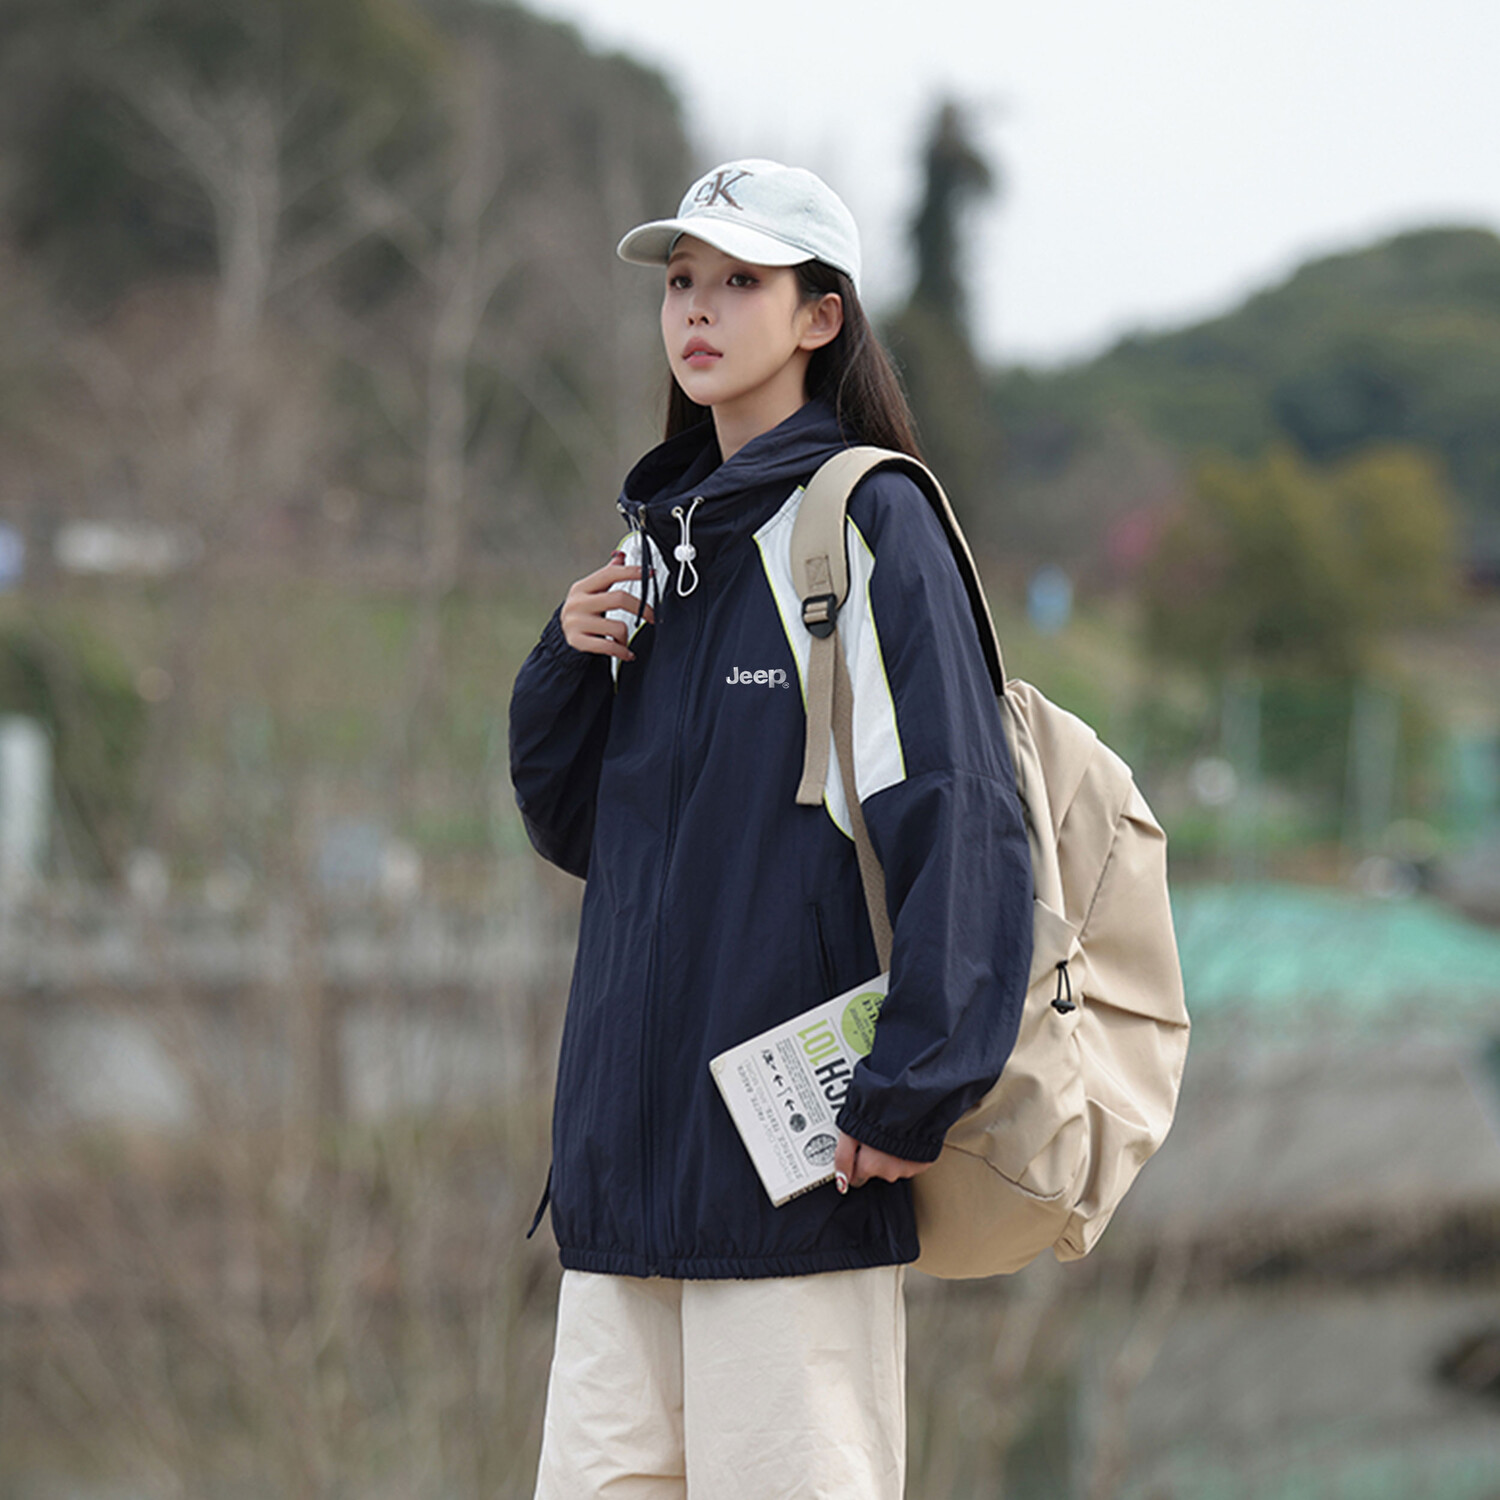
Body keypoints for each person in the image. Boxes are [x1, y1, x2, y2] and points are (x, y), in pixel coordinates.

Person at [509, 158, 1033, 1500]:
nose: (696, 308)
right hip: (619, 1192)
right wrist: (568, 657)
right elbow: (587, 836)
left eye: (741, 280)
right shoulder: (668, 546)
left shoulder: (868, 521)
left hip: (791, 1187)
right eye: (681, 281)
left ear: (819, 317)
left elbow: (963, 817)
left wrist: (913, 1086)